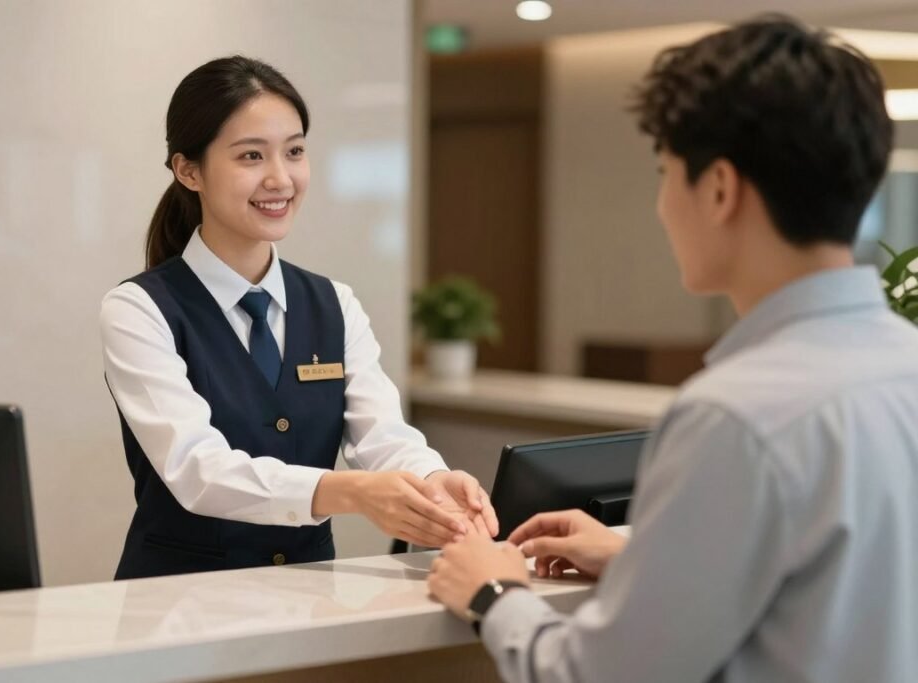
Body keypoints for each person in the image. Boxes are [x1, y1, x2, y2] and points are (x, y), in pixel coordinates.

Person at [428, 15, 918, 683]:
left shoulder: (735, 416)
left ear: (718, 189)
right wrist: (645, 564)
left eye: (666, 173)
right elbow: (837, 593)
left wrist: (493, 594)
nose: (662, 206)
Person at [101, 55, 496, 580]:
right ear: (188, 170)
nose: (281, 178)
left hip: (308, 598)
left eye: (294, 151)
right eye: (251, 156)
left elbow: (380, 433)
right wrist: (350, 492)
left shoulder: (335, 303)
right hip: (178, 600)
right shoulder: (139, 309)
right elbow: (196, 469)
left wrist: (430, 478)